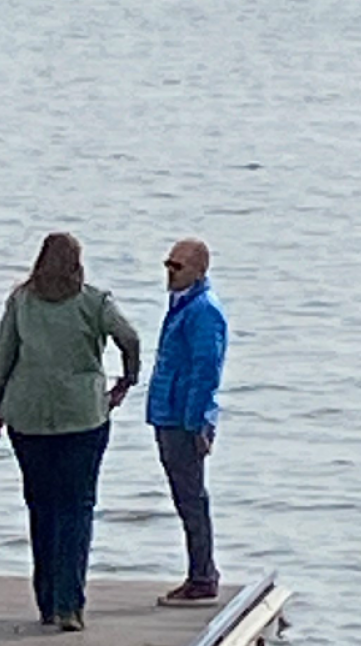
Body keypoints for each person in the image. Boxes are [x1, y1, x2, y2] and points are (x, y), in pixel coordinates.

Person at [0, 233, 141, 634]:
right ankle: (71, 605)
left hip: (29, 417)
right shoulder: (94, 301)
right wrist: (126, 381)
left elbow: (2, 356)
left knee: (41, 506)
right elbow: (130, 338)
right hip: (83, 415)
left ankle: (48, 602)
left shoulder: (21, 301)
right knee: (77, 507)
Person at [145, 237, 228, 606]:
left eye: (176, 267)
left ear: (198, 269)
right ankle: (201, 571)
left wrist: (196, 422)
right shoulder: (181, 305)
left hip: (184, 418)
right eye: (168, 264)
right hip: (168, 412)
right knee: (184, 497)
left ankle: (202, 576)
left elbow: (205, 370)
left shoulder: (203, 310)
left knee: (192, 498)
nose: (170, 272)